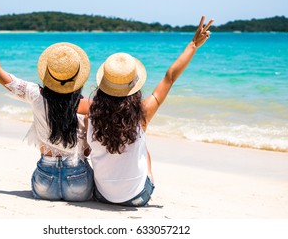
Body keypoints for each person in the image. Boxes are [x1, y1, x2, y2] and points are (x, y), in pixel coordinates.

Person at [88, 16, 214, 206]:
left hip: (102, 195)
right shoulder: (142, 113)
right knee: (143, 148)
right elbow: (169, 78)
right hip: (137, 197)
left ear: (104, 85)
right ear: (134, 86)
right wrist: (193, 45)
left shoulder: (92, 114)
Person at [0, 7, 94, 201]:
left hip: (46, 181)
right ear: (77, 78)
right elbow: (91, 147)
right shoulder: (88, 105)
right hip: (78, 181)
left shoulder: (34, 94)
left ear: (48, 74)